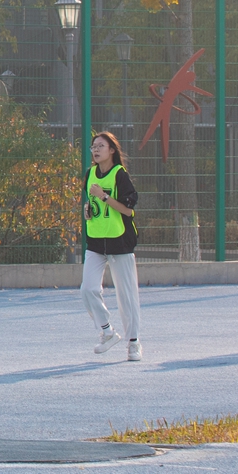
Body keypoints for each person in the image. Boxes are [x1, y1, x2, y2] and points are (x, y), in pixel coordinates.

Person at [80, 130, 142, 362]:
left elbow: (127, 210)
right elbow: (92, 202)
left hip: (120, 241)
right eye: (93, 146)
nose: (95, 150)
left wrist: (104, 197)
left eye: (101, 146)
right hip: (96, 240)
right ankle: (107, 331)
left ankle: (133, 343)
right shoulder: (90, 174)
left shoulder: (119, 175)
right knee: (88, 289)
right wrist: (89, 209)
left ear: (112, 150)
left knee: (127, 296)